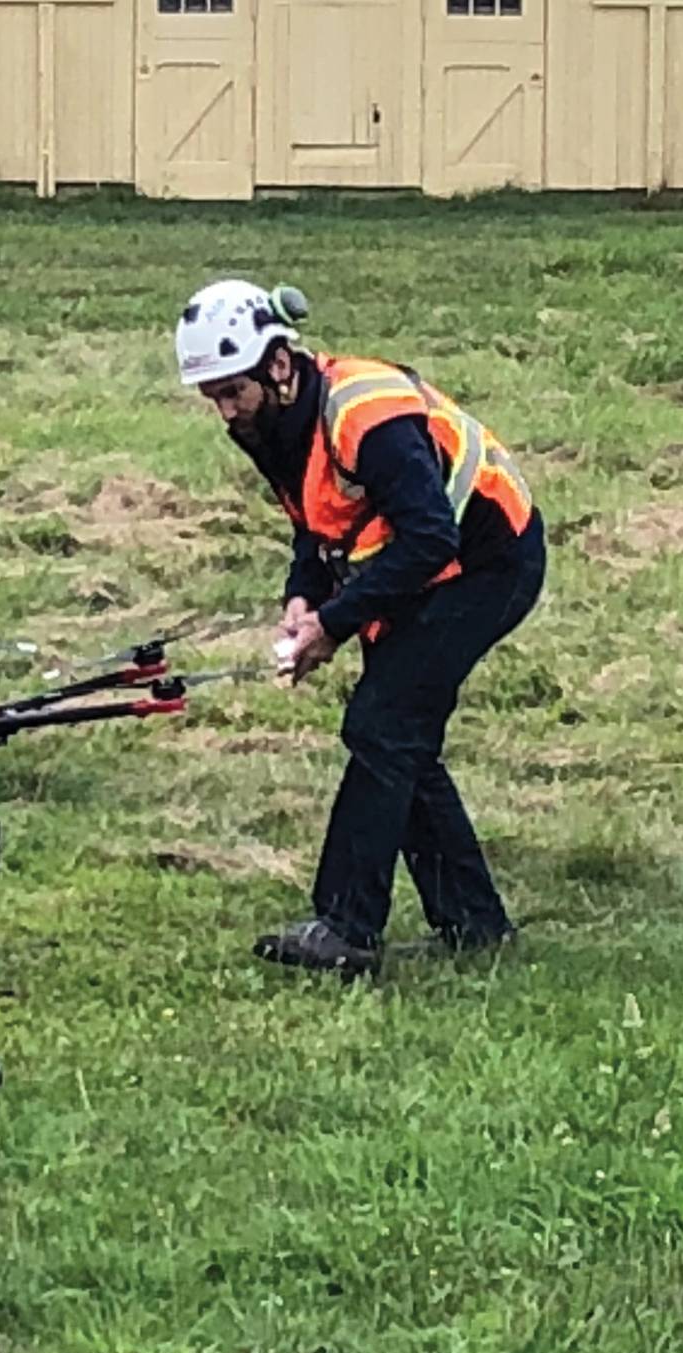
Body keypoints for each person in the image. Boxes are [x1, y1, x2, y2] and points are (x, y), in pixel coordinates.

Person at [175, 279, 547, 977]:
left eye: (233, 393)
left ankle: (347, 927)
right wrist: (302, 596)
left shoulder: (367, 416)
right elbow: (316, 524)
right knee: (396, 738)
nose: (225, 414)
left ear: (278, 365)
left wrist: (335, 623)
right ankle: (475, 926)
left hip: (490, 562)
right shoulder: (274, 423)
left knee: (380, 727)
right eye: (213, 398)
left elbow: (430, 537)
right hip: (434, 567)